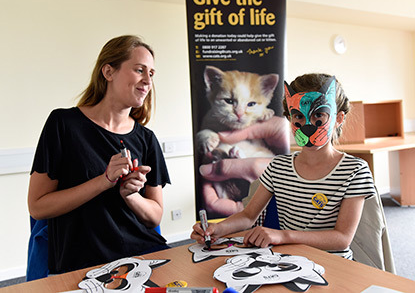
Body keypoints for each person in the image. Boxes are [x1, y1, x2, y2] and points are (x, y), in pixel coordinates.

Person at [28, 35, 171, 274]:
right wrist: (104, 181)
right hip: (83, 264)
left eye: (152, 74)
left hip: (143, 256)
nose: (148, 81)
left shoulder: (147, 139)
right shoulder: (63, 124)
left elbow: (154, 217)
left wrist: (131, 196)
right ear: (108, 72)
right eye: (139, 70)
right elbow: (38, 207)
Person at [192, 73, 375, 260]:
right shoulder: (278, 167)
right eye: (298, 117)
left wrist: (282, 235)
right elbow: (248, 216)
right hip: (291, 265)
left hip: (335, 266)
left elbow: (342, 238)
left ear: (338, 118)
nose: (307, 125)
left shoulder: (354, 171)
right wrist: (216, 228)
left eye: (318, 115)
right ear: (290, 119)